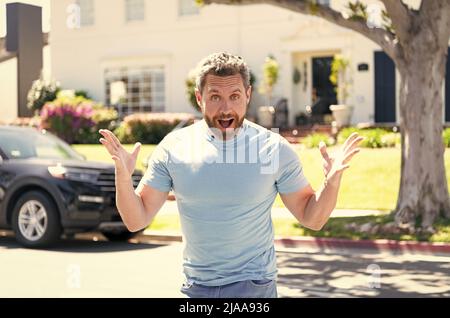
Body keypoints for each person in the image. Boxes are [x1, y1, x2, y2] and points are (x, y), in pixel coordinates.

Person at [99, 52, 363, 298]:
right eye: (215, 97)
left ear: (247, 95)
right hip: (196, 289)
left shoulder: (272, 148)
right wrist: (122, 176)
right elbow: (136, 220)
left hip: (254, 288)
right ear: (199, 98)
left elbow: (312, 217)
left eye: (234, 96)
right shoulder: (174, 147)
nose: (226, 108)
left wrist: (331, 182)